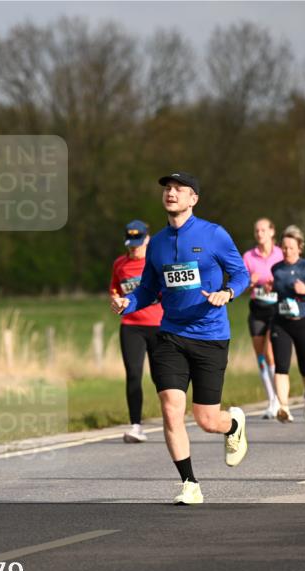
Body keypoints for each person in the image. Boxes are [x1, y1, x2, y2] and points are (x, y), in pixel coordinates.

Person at [112, 172, 250, 505]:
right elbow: (148, 289)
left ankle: (232, 426)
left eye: (179, 189)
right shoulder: (157, 243)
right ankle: (189, 483)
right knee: (172, 409)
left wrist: (227, 292)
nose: (171, 193)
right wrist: (127, 302)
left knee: (206, 419)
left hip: (210, 335)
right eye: (167, 189)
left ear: (193, 199)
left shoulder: (214, 235)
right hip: (171, 335)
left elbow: (242, 272)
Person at [109, 220, 163, 442]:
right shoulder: (119, 264)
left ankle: (172, 419)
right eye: (131, 243)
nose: (134, 248)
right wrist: (115, 299)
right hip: (131, 326)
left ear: (148, 239)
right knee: (133, 375)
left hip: (158, 325)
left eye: (139, 243)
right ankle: (135, 426)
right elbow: (114, 288)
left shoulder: (155, 262)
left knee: (162, 377)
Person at [269, 226, 305, 422]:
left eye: (291, 248)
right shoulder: (276, 269)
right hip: (280, 322)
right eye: (284, 247)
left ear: (299, 248)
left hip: (303, 323)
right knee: (281, 366)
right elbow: (274, 289)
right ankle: (284, 407)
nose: (287, 251)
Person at [242, 218, 283, 419]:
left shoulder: (281, 254)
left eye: (263, 230)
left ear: (272, 231)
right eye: (257, 230)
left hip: (276, 309)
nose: (260, 234)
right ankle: (271, 400)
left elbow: (290, 280)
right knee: (260, 357)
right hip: (257, 309)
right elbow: (240, 283)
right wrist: (250, 282)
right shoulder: (249, 257)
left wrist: (276, 284)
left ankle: (279, 399)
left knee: (271, 353)